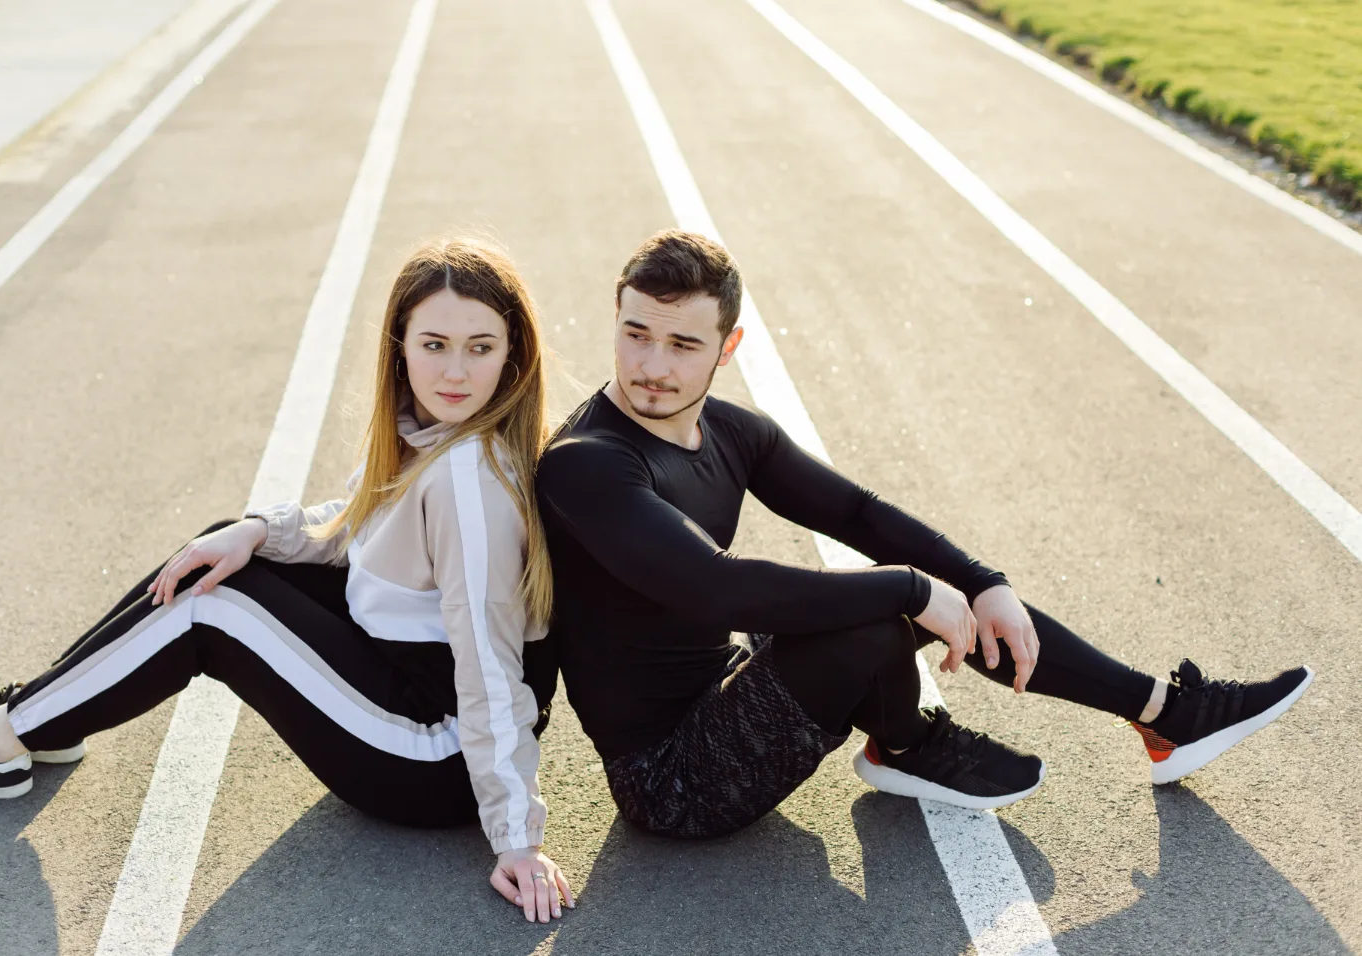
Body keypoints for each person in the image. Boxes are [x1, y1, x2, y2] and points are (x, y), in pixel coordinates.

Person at [0, 238, 575, 922]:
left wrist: (518, 838)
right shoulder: (431, 432)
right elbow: (359, 524)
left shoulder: (469, 482)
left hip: (433, 754)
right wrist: (257, 530)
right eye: (435, 345)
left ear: (512, 354)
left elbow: (490, 666)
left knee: (211, 605)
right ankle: (48, 715)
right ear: (399, 347)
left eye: (480, 347)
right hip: (410, 679)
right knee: (224, 550)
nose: (455, 371)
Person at [535, 229, 1313, 839]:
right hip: (673, 778)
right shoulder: (587, 463)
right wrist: (915, 589)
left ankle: (1164, 714)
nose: (652, 365)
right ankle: (908, 744)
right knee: (874, 608)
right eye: (636, 334)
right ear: (617, 322)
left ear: (727, 347)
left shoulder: (732, 431)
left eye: (682, 345)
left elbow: (857, 514)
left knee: (890, 593)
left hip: (728, 686)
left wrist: (982, 583)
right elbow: (715, 590)